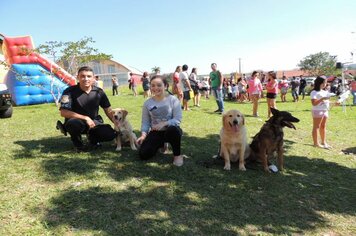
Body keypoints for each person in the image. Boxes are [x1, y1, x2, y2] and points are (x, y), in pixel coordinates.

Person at [59, 66, 116, 152]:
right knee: (73, 124)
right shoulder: (68, 91)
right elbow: (63, 112)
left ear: (93, 78)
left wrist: (118, 124)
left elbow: (108, 110)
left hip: (94, 122)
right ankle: (78, 144)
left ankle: (93, 141)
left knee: (110, 134)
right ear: (77, 77)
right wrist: (85, 118)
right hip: (76, 122)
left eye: (89, 76)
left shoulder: (99, 92)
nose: (86, 79)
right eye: (82, 76)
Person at [136, 75, 184, 166]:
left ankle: (177, 155)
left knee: (173, 130)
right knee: (143, 155)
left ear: (165, 86)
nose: (155, 88)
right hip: (156, 131)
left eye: (159, 85)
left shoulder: (173, 100)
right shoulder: (147, 103)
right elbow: (145, 121)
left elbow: (177, 119)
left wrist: (164, 123)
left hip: (171, 130)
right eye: (153, 85)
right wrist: (143, 135)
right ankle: (162, 144)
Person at [311, 76, 338, 149]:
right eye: (324, 82)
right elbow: (314, 103)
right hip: (317, 111)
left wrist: (335, 103)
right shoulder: (314, 92)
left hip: (325, 110)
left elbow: (326, 102)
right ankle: (316, 143)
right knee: (316, 127)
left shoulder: (325, 92)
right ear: (320, 83)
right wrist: (322, 98)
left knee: (323, 126)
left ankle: (323, 142)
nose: (326, 84)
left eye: (326, 82)